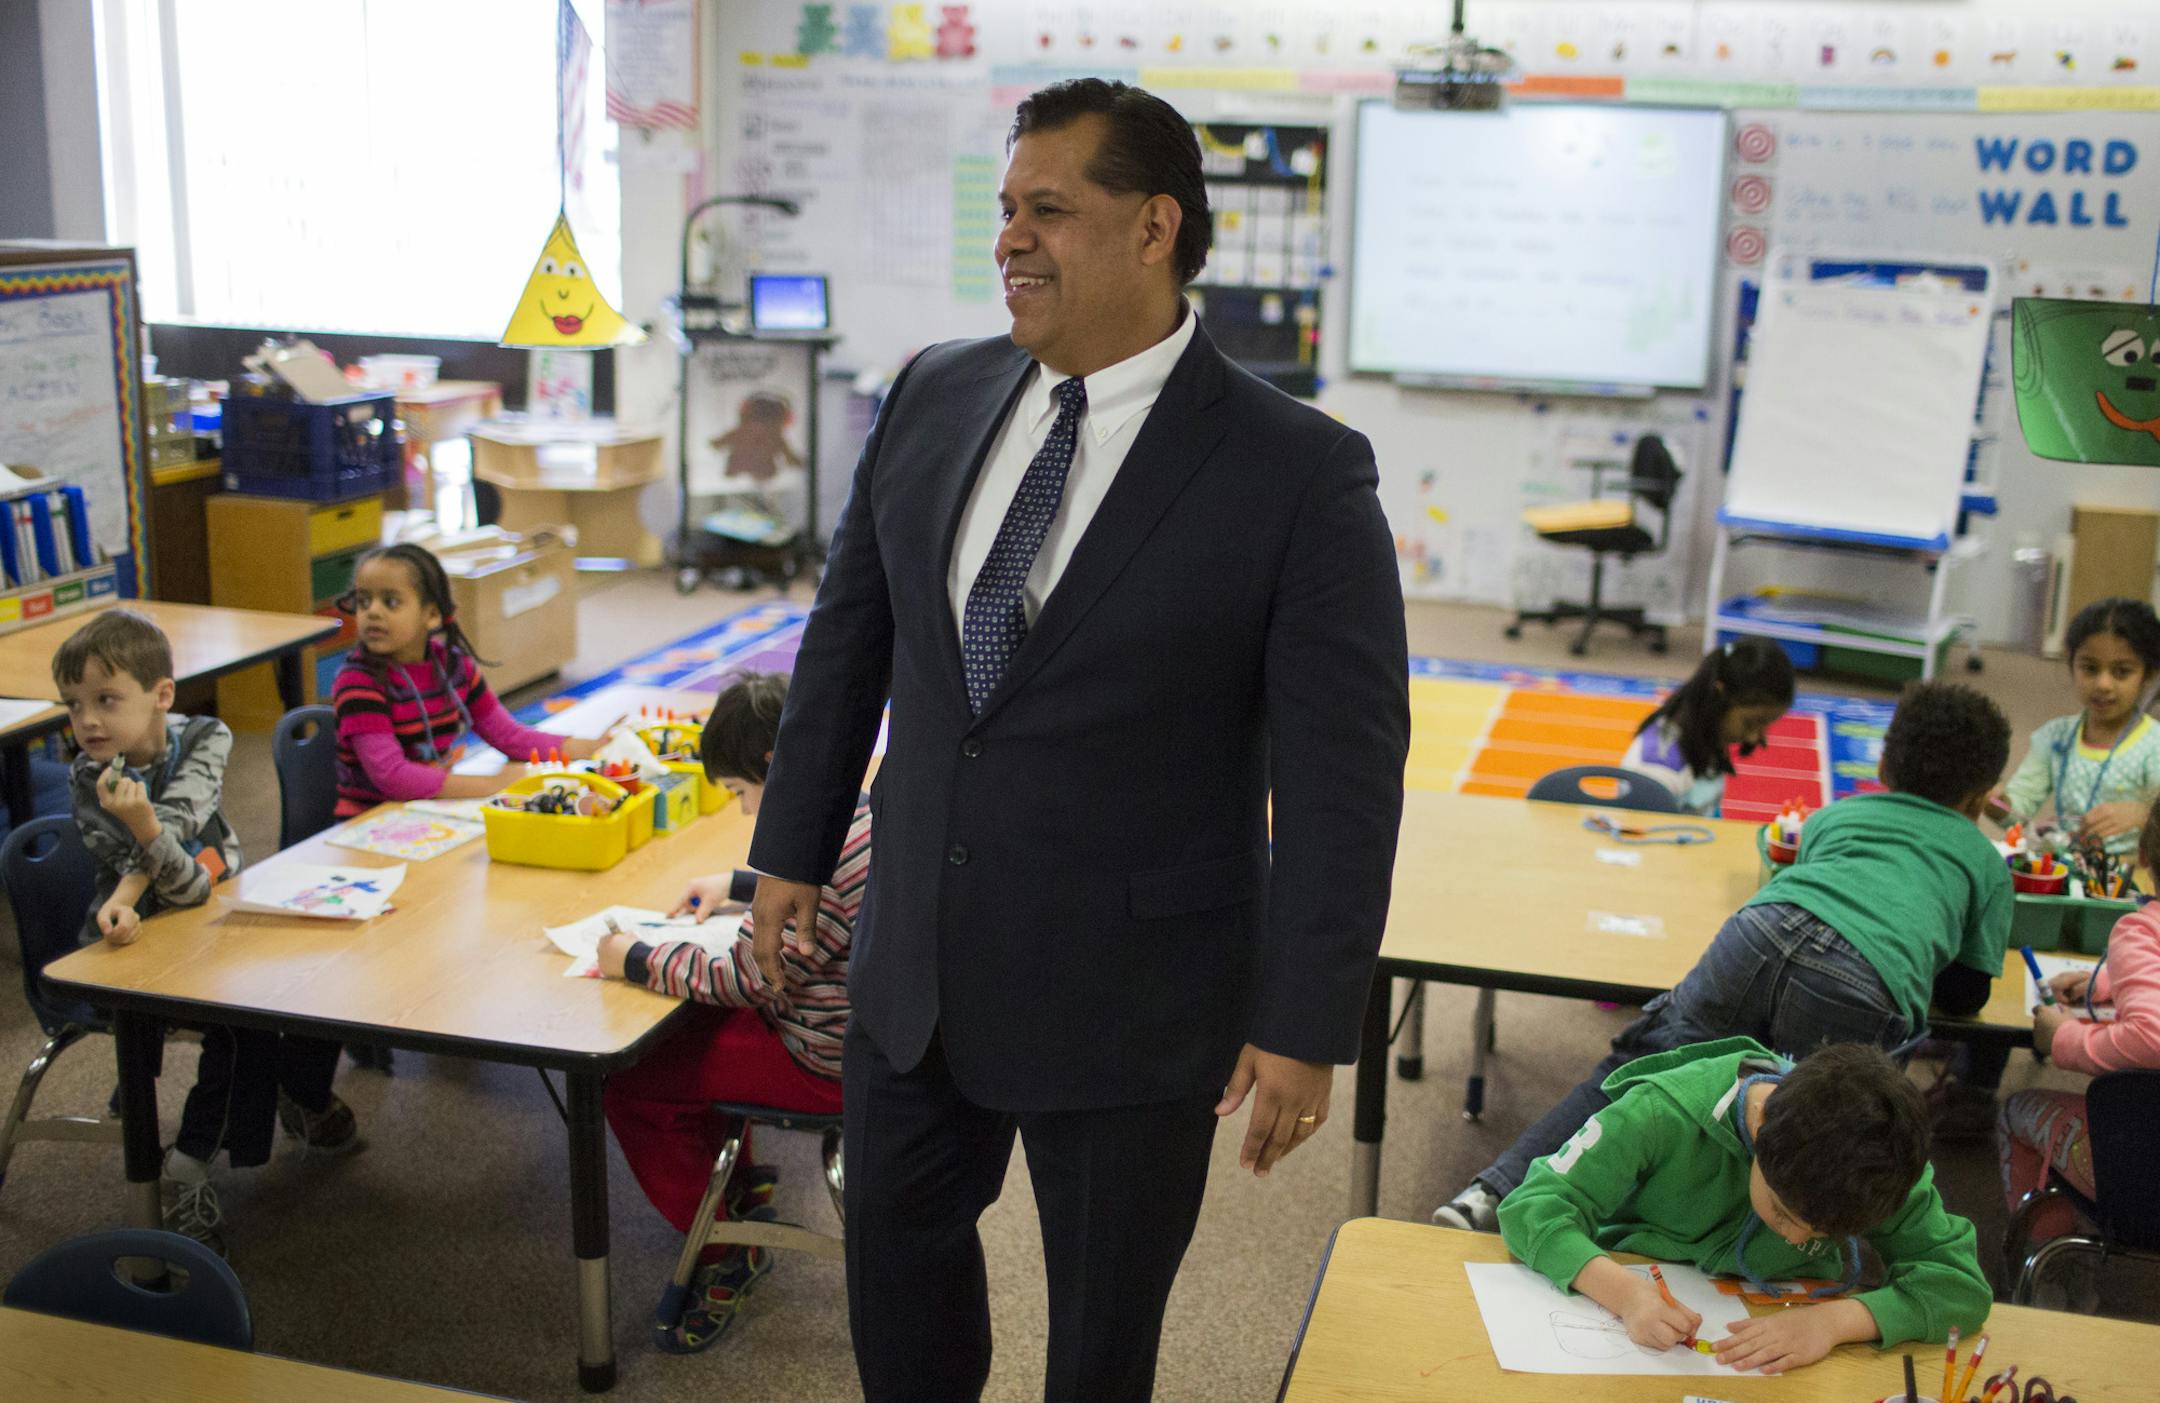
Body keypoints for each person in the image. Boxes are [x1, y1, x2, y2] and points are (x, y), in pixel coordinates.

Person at [744, 78, 1409, 1401]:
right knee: (898, 1282)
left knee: (1102, 1342)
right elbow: (848, 638)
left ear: (1155, 227)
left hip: (1136, 993)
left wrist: (1305, 1018)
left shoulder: (1299, 471)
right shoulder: (932, 392)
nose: (1010, 238)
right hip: (914, 958)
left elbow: (1344, 776)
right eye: (1004, 208)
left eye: (1049, 208)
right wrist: (791, 849)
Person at [1437, 680, 2011, 1232]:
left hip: (1760, 932)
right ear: (1980, 796)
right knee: (1816, 1138)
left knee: (1641, 1069)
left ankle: (1490, 1191)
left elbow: (1815, 889)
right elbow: (1967, 996)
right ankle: (1730, 1265)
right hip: (1861, 979)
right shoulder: (1984, 861)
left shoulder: (1836, 816)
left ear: (1884, 769)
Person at [55, 608, 356, 1256]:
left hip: (210, 912)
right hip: (140, 938)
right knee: (245, 1021)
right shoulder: (88, 774)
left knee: (327, 967)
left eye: (105, 700)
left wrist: (141, 851)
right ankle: (188, 1163)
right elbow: (186, 884)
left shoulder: (206, 736)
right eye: (73, 705)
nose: (87, 722)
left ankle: (299, 1092)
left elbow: (187, 863)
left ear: (162, 694)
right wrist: (144, 845)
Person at [594, 673, 865, 1353]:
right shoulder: (856, 809)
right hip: (856, 1034)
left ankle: (722, 1247)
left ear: (773, 768)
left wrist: (632, 957)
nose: (746, 814)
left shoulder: (811, 849)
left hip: (824, 1060)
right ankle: (736, 1183)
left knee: (632, 1081)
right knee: (690, 1035)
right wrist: (742, 885)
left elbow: (746, 974)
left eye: (743, 794)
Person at [1497, 1038, 1990, 1373]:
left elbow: (1958, 1284)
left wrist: (1835, 1323)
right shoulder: (1661, 1112)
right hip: (1624, 1329)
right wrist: (1625, 1295)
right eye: (1783, 1214)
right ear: (1759, 1129)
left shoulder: (1883, 1164)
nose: (1797, 1240)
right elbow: (1533, 1206)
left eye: (1824, 1236)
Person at [1996, 802, 2160, 1282]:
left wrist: (2063, 1038)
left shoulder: (2140, 930)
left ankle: (2054, 1281)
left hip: (2144, 1178)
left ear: (2143, 860)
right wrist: (2110, 980)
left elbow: (2152, 1037)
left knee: (2016, 1108)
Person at [330, 542, 597, 817]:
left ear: (432, 614)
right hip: (372, 817)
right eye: (363, 601)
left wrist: (588, 747)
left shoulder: (454, 667)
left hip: (430, 808)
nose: (373, 612)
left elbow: (508, 736)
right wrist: (493, 785)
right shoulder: (358, 683)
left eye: (391, 602)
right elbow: (392, 776)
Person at [1995, 595, 2160, 855]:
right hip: (2071, 872)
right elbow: (2016, 815)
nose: (2103, 684)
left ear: (2148, 674)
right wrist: (1992, 800)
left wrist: (2145, 816)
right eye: (2090, 669)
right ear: (2071, 664)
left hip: (2135, 879)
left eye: (2121, 672)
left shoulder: (2154, 745)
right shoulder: (2054, 737)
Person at [1621, 637, 1795, 816]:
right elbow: (1642, 839)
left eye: (1765, 725)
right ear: (1719, 695)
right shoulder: (1658, 770)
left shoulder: (1705, 734)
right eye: (1751, 723)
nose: (1754, 738)